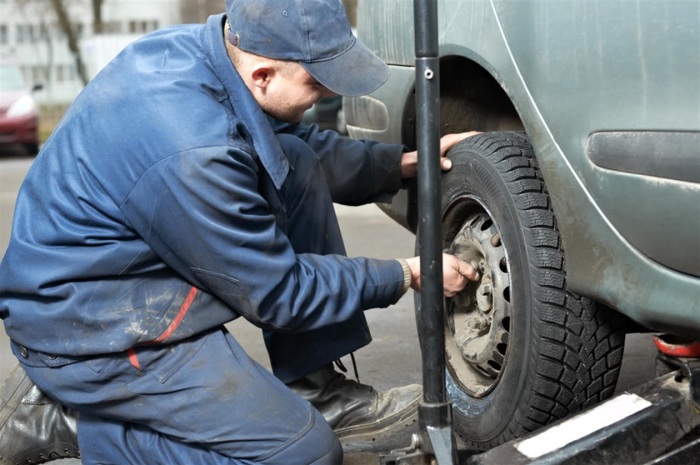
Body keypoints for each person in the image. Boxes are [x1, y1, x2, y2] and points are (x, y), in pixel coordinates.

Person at [0, 0, 479, 464]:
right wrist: (404, 274)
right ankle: (73, 422)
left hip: (122, 268)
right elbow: (279, 291)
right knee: (305, 454)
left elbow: (283, 142)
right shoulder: (195, 152)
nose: (329, 94)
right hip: (94, 323)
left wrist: (397, 164)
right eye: (317, 81)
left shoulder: (210, 53)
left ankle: (318, 391)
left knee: (295, 161)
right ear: (263, 75)